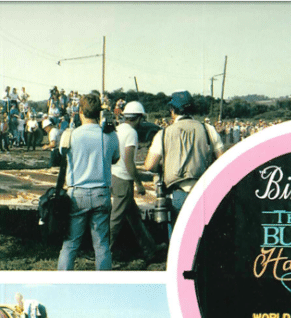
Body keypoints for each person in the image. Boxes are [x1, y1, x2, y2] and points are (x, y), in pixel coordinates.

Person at [57, 93, 120, 271]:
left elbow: (62, 155)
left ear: (80, 112)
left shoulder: (69, 135)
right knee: (101, 246)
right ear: (99, 112)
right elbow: (115, 159)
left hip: (77, 193)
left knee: (70, 245)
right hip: (101, 191)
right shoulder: (110, 135)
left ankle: (63, 280)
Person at [144, 90, 223, 224]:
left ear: (172, 110)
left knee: (177, 238)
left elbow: (149, 165)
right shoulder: (208, 129)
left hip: (176, 193)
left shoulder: (164, 133)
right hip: (203, 191)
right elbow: (222, 160)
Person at [110, 101, 165, 262]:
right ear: (139, 118)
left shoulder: (118, 129)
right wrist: (139, 184)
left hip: (114, 176)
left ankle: (150, 248)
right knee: (116, 219)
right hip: (123, 180)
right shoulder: (131, 133)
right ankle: (103, 252)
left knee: (134, 218)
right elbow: (128, 162)